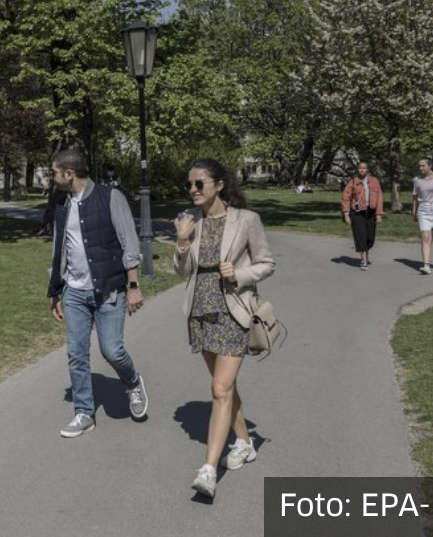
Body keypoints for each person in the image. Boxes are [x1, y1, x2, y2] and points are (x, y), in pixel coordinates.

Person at [172, 158, 275, 499]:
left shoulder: (247, 220)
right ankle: (244, 441)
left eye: (199, 183)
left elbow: (266, 263)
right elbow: (183, 271)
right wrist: (182, 241)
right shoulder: (191, 221)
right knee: (225, 388)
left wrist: (239, 274)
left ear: (218, 185)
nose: (193, 189)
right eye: (190, 184)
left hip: (233, 311)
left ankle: (208, 469)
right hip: (200, 311)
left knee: (219, 388)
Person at [47, 149, 148, 438]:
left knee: (112, 350)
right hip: (74, 293)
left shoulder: (110, 197)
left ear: (69, 173)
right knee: (76, 354)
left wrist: (133, 286)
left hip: (109, 289)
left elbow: (129, 242)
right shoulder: (61, 203)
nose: (52, 177)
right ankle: (84, 413)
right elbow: (58, 248)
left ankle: (132, 382)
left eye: (54, 172)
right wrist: (55, 292)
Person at [340, 160, 384, 270]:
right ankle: (364, 260)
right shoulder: (353, 181)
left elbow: (379, 198)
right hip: (357, 213)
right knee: (361, 236)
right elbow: (345, 197)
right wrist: (346, 214)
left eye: (364, 168)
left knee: (370, 237)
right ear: (357, 169)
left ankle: (366, 253)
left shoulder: (374, 181)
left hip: (371, 211)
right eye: (360, 168)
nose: (362, 170)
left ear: (367, 169)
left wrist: (379, 213)